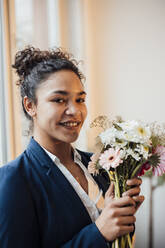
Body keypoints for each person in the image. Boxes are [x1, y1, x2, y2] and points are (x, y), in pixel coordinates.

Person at [0, 46, 144, 248]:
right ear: (30, 105)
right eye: (59, 100)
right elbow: (100, 233)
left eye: (80, 99)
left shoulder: (99, 165)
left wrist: (120, 215)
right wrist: (99, 232)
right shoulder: (14, 180)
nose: (75, 110)